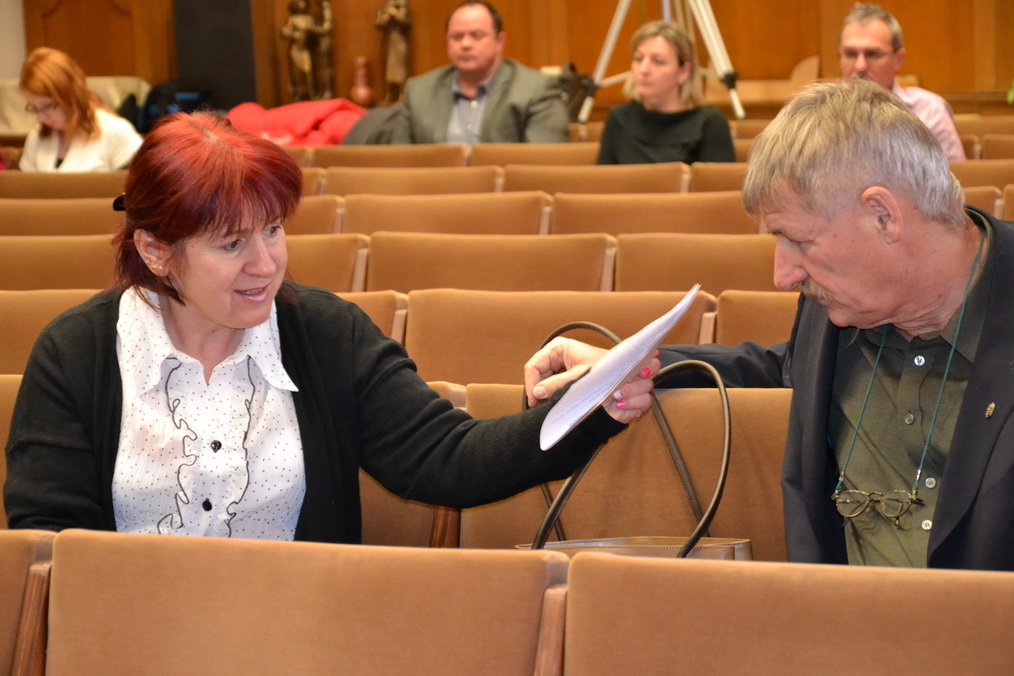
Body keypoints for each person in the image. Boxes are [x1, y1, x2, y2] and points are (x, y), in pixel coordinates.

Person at [2, 111, 657, 540]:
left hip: (302, 636)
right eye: (231, 244)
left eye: (273, 230)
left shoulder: (324, 334)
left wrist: (591, 404)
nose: (266, 265)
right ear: (154, 250)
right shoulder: (77, 352)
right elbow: (49, 543)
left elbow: (448, 459)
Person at [525, 77, 1014, 572]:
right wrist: (625, 365)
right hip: (829, 616)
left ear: (883, 215)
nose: (784, 277)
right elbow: (781, 368)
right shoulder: (836, 307)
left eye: (800, 242)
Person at [391, 1, 569, 144]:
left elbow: (543, 162)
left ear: (499, 42)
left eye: (476, 35)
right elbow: (399, 162)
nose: (465, 44)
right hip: (436, 179)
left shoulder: (535, 90)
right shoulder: (419, 92)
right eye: (457, 37)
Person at [839, 3, 965, 161]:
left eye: (873, 54)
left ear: (898, 60)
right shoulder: (820, 114)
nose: (860, 65)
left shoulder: (930, 111)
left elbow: (956, 176)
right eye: (850, 54)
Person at [596, 21, 734, 165]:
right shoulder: (619, 118)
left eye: (658, 61)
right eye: (638, 59)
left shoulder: (709, 123)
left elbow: (717, 179)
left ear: (684, 72)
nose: (643, 69)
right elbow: (603, 177)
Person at [18, 47, 142, 172]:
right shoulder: (36, 138)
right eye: (33, 108)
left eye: (48, 106)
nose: (40, 118)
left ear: (71, 94)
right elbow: (26, 184)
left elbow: (141, 182)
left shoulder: (115, 131)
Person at [375, 0, 411, 105]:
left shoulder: (402, 6)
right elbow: (378, 24)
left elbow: (406, 22)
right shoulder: (384, 7)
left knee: (400, 66)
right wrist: (385, 18)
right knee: (386, 67)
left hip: (399, 39)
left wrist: (395, 13)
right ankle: (389, 95)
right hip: (387, 40)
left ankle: (402, 94)